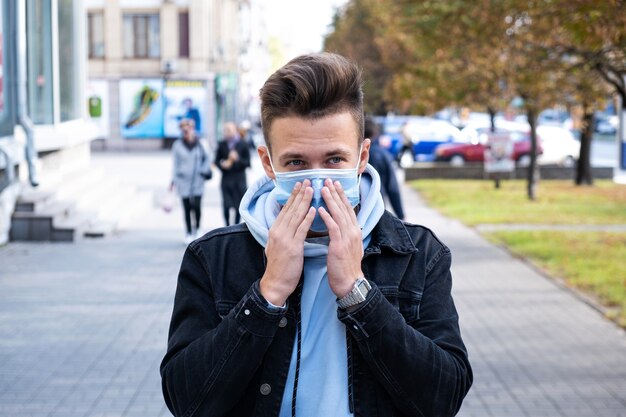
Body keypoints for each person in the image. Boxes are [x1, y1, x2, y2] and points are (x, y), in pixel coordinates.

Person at [161, 53, 472, 417]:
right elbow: (187, 400)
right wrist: (268, 294)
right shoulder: (213, 258)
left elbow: (443, 398)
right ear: (268, 164)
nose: (317, 178)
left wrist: (359, 293)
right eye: (296, 163)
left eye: (334, 160)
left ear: (362, 156)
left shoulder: (419, 254)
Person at [170, 118, 211, 244]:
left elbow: (209, 157)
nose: (186, 132)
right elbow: (175, 164)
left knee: (197, 206)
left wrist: (203, 169)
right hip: (183, 181)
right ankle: (188, 232)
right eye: (183, 130)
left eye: (188, 129)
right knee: (187, 207)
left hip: (197, 180)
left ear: (192, 129)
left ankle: (197, 229)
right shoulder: (177, 145)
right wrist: (173, 181)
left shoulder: (201, 143)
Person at [364, 117, 405, 220]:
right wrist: (400, 215)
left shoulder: (350, 156)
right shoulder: (382, 155)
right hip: (378, 210)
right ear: (375, 133)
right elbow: (392, 188)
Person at [215, 121, 250, 225]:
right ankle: (226, 226)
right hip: (226, 180)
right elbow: (216, 160)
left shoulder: (243, 144)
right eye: (225, 130)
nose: (226, 132)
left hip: (239, 181)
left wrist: (237, 159)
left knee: (238, 207)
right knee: (226, 206)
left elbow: (247, 163)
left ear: (235, 130)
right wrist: (222, 164)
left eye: (229, 130)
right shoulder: (222, 144)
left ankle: (234, 227)